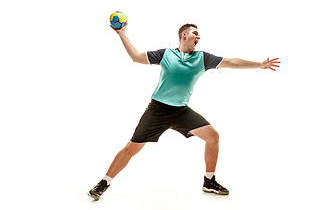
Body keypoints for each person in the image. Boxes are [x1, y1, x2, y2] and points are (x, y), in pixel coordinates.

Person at [88, 22, 280, 200]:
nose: (198, 37)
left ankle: (209, 181)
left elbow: (231, 62)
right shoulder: (166, 54)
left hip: (181, 111)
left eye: (199, 35)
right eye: (195, 33)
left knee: (213, 136)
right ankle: (104, 182)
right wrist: (122, 33)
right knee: (132, 148)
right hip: (158, 110)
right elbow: (136, 57)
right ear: (184, 34)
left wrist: (259, 64)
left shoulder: (202, 58)